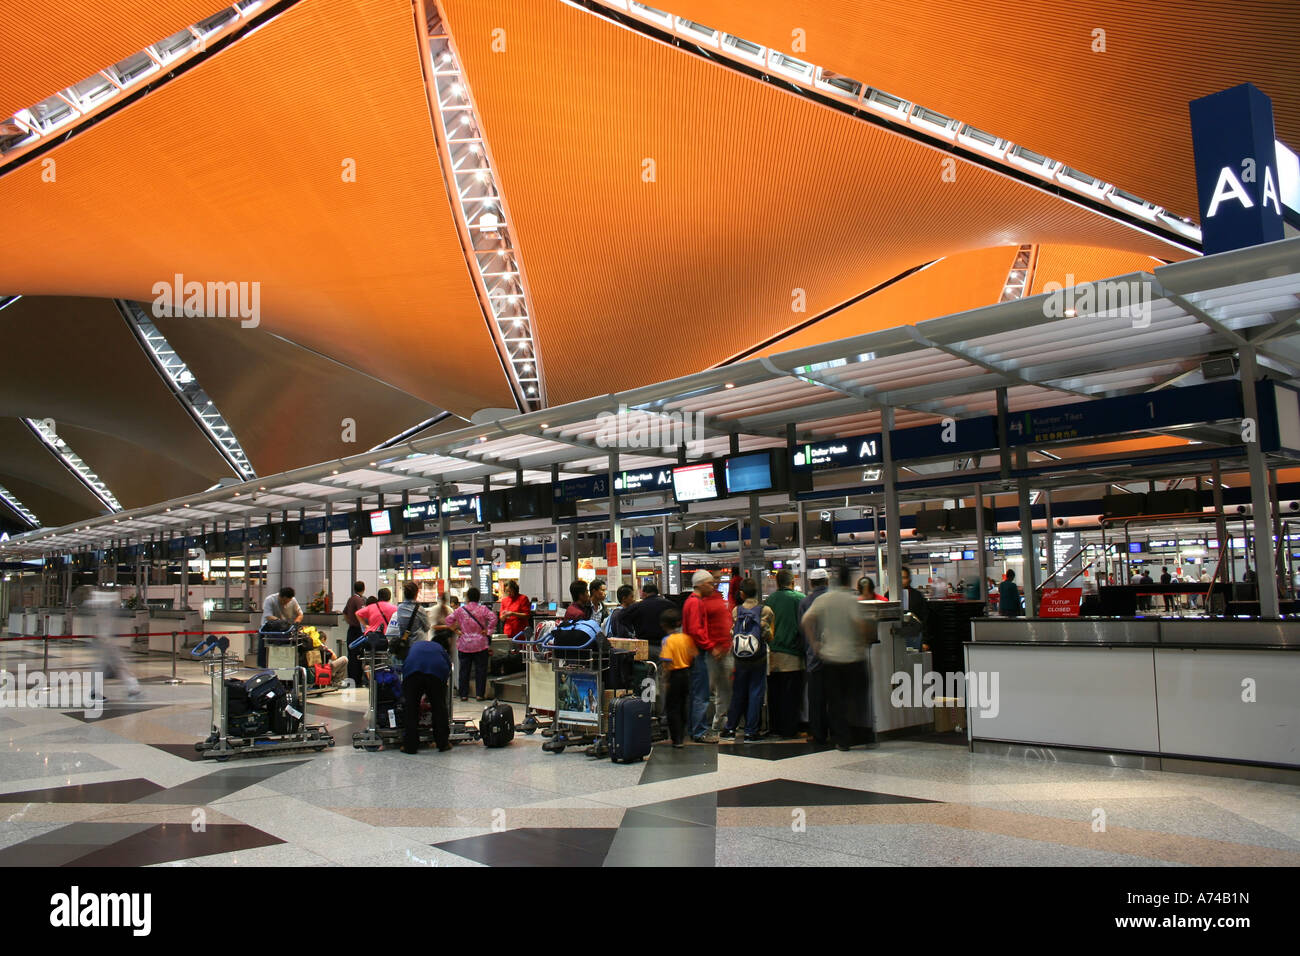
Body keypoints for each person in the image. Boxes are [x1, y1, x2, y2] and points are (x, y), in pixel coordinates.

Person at [801, 565, 870, 751]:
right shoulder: (851, 600)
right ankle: (862, 735)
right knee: (856, 698)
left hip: (830, 658)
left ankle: (842, 740)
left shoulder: (823, 600)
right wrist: (863, 642)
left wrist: (814, 643)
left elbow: (806, 620)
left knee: (835, 701)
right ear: (850, 581)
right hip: (853, 657)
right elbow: (861, 624)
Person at [721, 578, 774, 741]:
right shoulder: (766, 610)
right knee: (756, 692)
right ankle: (751, 731)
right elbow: (768, 635)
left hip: (740, 658)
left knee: (738, 692)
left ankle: (730, 728)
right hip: (758, 657)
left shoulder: (736, 610)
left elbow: (732, 632)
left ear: (742, 594)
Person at [683, 568, 732, 743]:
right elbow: (697, 631)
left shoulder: (692, 601)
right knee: (701, 694)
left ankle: (694, 729)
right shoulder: (696, 603)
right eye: (710, 583)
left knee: (698, 692)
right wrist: (712, 647)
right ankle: (700, 731)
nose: (713, 586)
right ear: (701, 584)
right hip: (698, 652)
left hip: (693, 652)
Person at [764, 569, 805, 739]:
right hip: (792, 655)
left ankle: (775, 728)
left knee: (774, 694)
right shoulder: (799, 599)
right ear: (793, 582)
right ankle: (790, 729)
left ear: (776, 583)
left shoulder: (770, 600)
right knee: (792, 694)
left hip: (772, 655)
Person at [400, 631, 452, 755]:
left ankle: (409, 746)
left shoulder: (417, 645)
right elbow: (447, 667)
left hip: (412, 673)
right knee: (439, 707)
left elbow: (406, 662)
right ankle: (443, 743)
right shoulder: (440, 649)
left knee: (411, 708)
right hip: (435, 674)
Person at [83, 586, 139, 699]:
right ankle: (132, 688)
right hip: (104, 642)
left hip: (105, 641)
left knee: (117, 665)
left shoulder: (101, 608)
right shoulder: (101, 607)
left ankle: (132, 688)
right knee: (110, 666)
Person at [798, 568, 830, 744]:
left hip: (813, 657)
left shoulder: (805, 602)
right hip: (836, 655)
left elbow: (802, 630)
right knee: (836, 696)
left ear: (810, 583)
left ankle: (818, 734)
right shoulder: (834, 600)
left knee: (816, 698)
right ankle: (838, 731)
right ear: (827, 581)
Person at [657, 606, 697, 748]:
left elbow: (667, 661)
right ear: (679, 623)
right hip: (686, 674)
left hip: (674, 675)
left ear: (663, 625)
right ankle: (683, 735)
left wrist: (666, 679)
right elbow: (693, 655)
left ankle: (676, 739)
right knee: (683, 705)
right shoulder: (686, 638)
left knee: (672, 707)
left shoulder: (667, 640)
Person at [448, 586, 496, 701]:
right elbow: (493, 618)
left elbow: (449, 620)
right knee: (481, 670)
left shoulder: (460, 610)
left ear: (468, 598)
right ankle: (479, 694)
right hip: (480, 644)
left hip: (464, 644)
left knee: (464, 671)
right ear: (478, 598)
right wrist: (488, 631)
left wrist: (456, 631)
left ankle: (463, 695)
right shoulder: (483, 609)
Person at [342, 581, 367, 687]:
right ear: (363, 589)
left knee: (351, 655)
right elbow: (361, 614)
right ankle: (357, 680)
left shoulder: (351, 599)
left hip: (351, 630)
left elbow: (345, 613)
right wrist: (364, 626)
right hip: (357, 631)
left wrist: (349, 622)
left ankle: (351, 680)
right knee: (358, 656)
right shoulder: (359, 600)